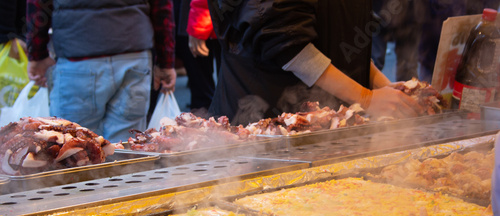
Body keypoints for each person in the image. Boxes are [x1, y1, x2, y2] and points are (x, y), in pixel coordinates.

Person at [206, 0, 421, 125]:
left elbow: (344, 36)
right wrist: (365, 97)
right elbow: (290, 48)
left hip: (329, 124)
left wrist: (380, 84)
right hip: (270, 122)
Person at [26, 0, 177, 143]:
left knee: (73, 146)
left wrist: (37, 54)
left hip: (78, 55)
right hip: (132, 54)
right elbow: (162, 8)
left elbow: (38, 6)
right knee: (124, 148)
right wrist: (166, 62)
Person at [371, 0, 424, 82]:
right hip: (379, 13)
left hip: (409, 17)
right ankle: (367, 91)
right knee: (373, 63)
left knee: (408, 68)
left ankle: (408, 92)